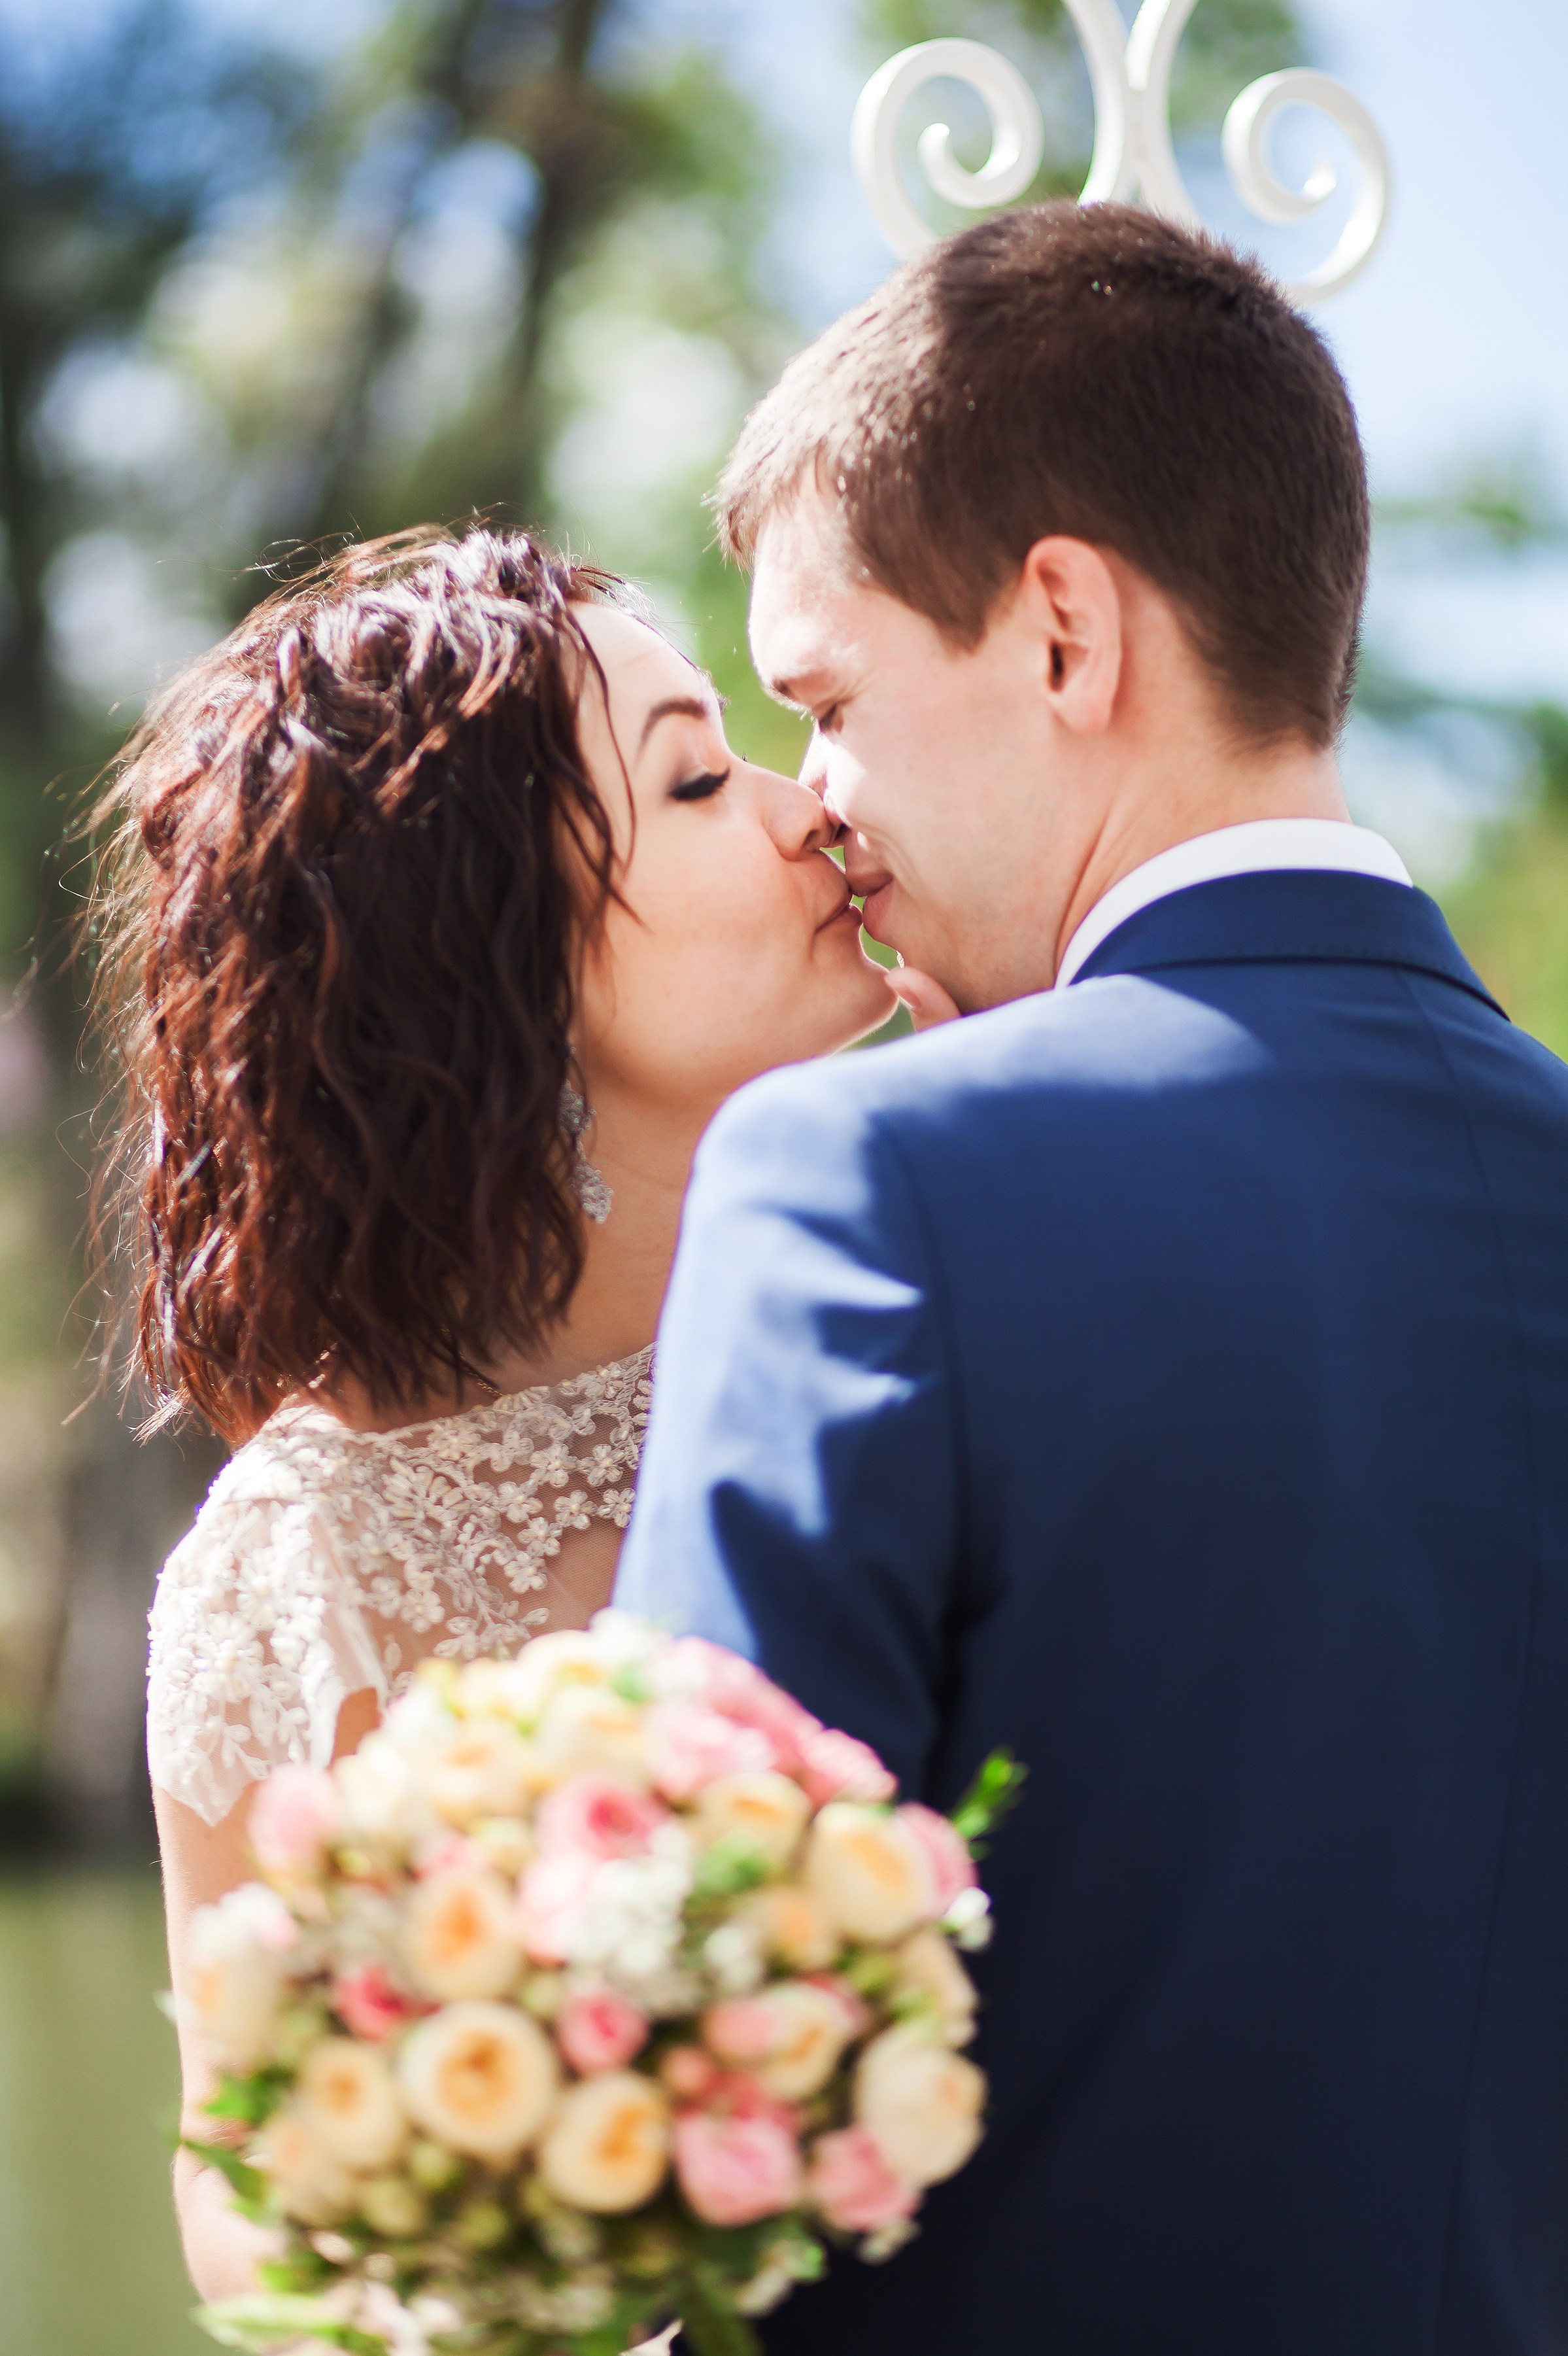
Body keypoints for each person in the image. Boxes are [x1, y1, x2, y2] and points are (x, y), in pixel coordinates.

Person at [615, 202, 1568, 2353]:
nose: (820, 803)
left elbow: (682, 2046)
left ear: (1062, 631)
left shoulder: (866, 1177)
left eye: (829, 697)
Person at [104, 525, 895, 2295]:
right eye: (696, 778)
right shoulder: (302, 1565)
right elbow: (236, 2162)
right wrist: (486, 2268)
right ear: (498, 960)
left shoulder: (940, 1316)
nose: (807, 805)